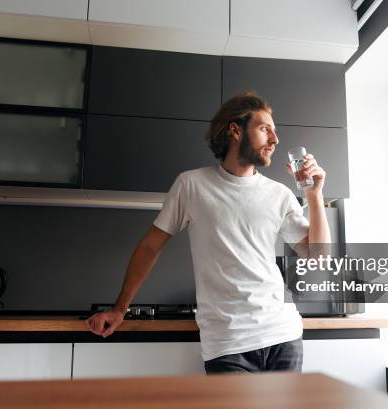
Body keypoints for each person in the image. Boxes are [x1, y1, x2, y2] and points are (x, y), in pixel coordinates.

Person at [86, 91, 331, 373]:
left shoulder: (279, 194)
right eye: (265, 129)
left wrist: (314, 195)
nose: (275, 140)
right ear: (235, 130)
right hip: (228, 343)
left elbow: (320, 258)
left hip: (283, 335)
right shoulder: (191, 185)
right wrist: (120, 309)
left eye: (274, 132)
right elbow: (150, 246)